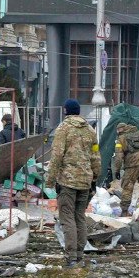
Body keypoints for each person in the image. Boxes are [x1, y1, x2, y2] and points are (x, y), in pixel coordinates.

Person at [45, 99, 100, 267]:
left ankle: (71, 256)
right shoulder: (90, 130)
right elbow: (96, 155)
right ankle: (80, 254)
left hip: (67, 181)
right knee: (80, 217)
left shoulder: (63, 128)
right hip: (85, 180)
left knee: (67, 218)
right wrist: (95, 178)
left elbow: (56, 156)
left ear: (65, 111)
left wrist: (49, 180)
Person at [113, 122, 139, 216]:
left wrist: (117, 170)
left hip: (131, 166)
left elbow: (118, 157)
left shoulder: (121, 139)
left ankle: (124, 211)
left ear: (121, 129)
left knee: (127, 187)